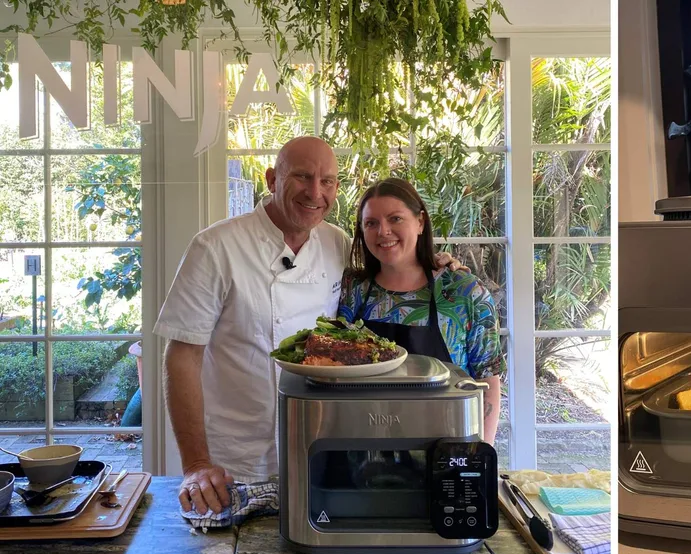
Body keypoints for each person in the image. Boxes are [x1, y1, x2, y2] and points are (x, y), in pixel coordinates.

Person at [154, 137, 465, 515]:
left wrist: (434, 261)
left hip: (318, 452)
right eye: (302, 176)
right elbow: (182, 356)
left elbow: (390, 266)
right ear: (271, 180)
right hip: (233, 464)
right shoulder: (215, 247)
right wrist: (196, 465)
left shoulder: (336, 243)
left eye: (328, 181)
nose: (316, 192)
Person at [338, 178, 504, 444]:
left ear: (420, 222)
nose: (383, 231)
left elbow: (488, 382)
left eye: (395, 219)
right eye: (371, 223)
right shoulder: (353, 288)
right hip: (364, 447)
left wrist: (479, 455)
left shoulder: (464, 292)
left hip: (446, 450)